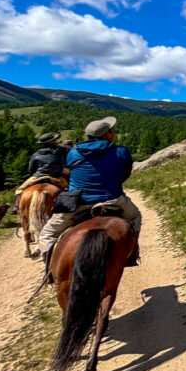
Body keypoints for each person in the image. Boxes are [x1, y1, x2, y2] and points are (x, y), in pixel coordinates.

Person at [38, 117, 142, 280]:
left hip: (78, 202)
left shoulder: (73, 152)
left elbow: (69, 169)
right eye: (112, 131)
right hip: (112, 199)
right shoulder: (121, 151)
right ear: (107, 135)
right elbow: (125, 174)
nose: (113, 133)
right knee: (135, 216)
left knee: (48, 233)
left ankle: (50, 270)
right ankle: (131, 253)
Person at [11, 132, 70, 214]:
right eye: (54, 139)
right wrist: (67, 144)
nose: (56, 140)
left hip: (38, 176)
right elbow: (67, 149)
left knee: (19, 190)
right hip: (56, 176)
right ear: (51, 142)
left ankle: (14, 208)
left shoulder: (36, 154)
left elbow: (31, 169)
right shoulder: (60, 150)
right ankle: (69, 206)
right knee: (68, 189)